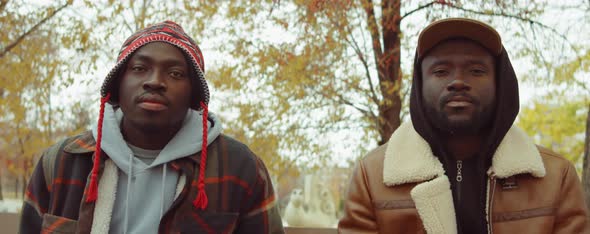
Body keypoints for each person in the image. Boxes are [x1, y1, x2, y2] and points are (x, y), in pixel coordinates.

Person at [20, 20, 284, 234]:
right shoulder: (61, 162)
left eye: (175, 73)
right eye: (139, 68)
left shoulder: (239, 167)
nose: (155, 81)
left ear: (194, 97)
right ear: (117, 87)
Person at [338, 18, 590, 233]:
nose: (458, 81)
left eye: (476, 70)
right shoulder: (372, 177)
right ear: (419, 83)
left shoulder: (557, 177)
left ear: (500, 83)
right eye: (440, 71)